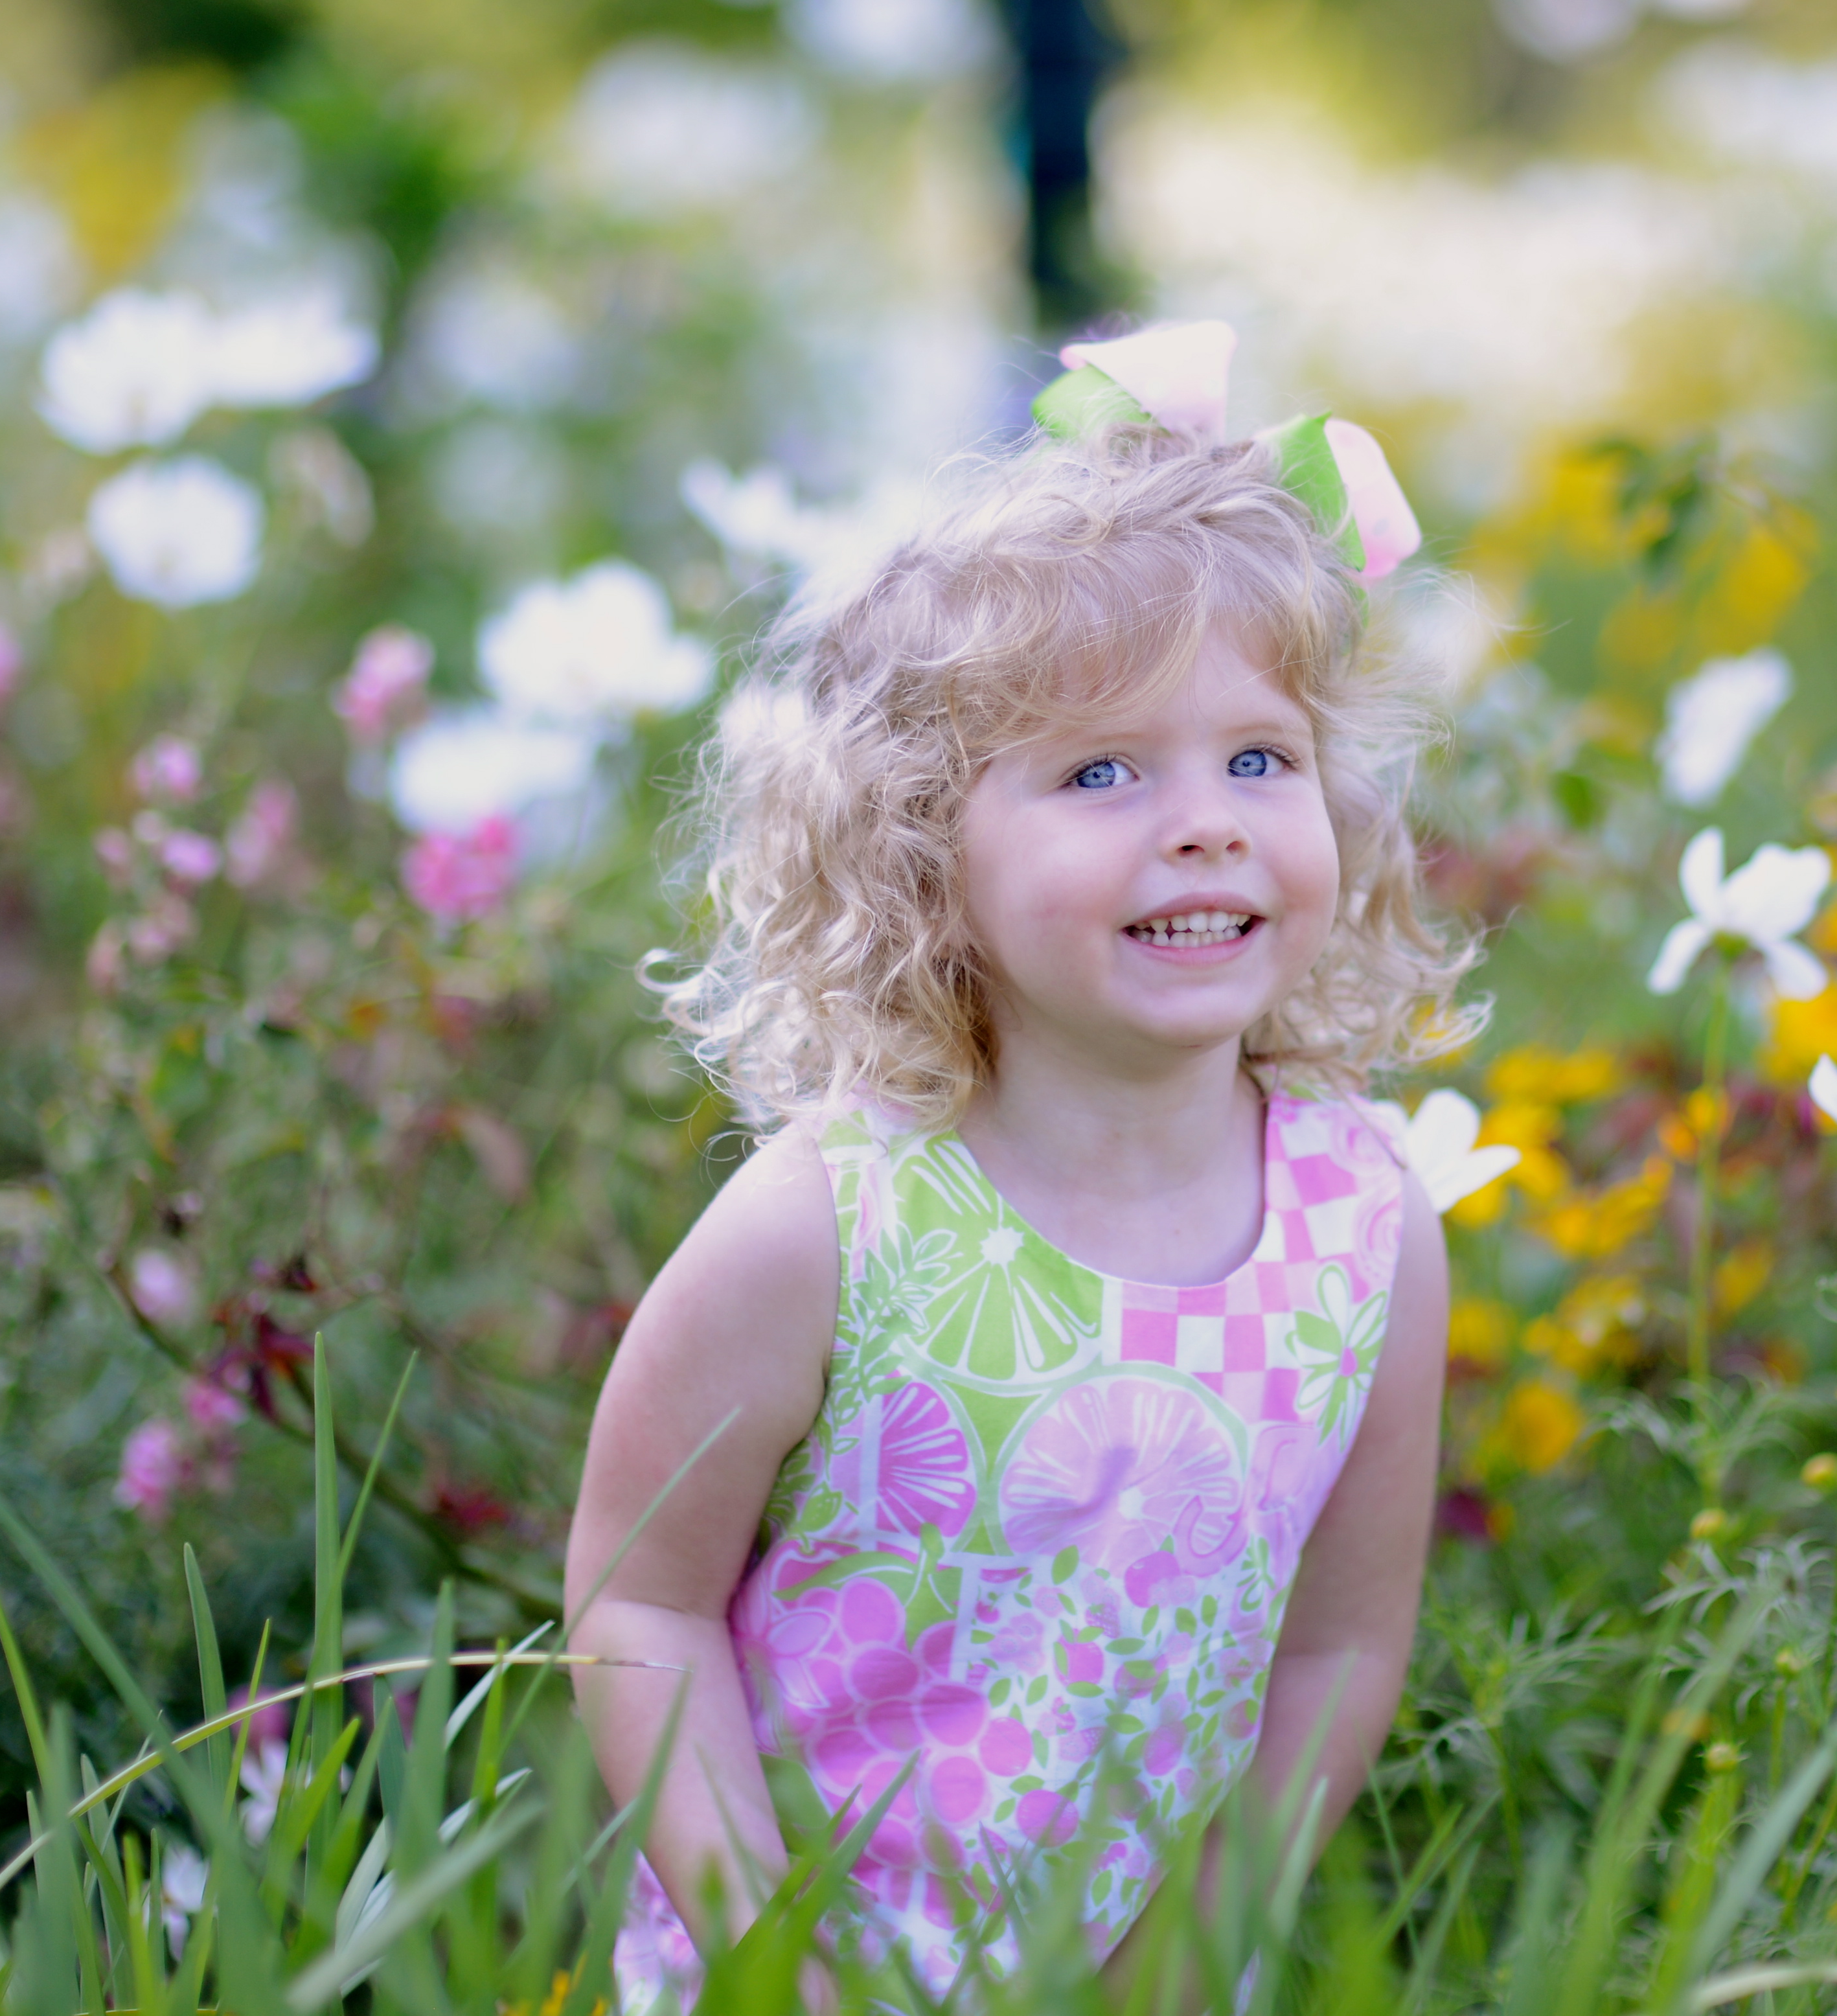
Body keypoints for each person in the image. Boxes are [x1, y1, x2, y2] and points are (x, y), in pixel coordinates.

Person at [565, 323, 1481, 2008]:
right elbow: (639, 1610)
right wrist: (778, 1964)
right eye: (1103, 771)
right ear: (925, 857)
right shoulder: (833, 1224)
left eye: (1258, 757)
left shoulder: (1363, 1232)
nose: (1204, 819)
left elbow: (1343, 1648)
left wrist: (1199, 1952)